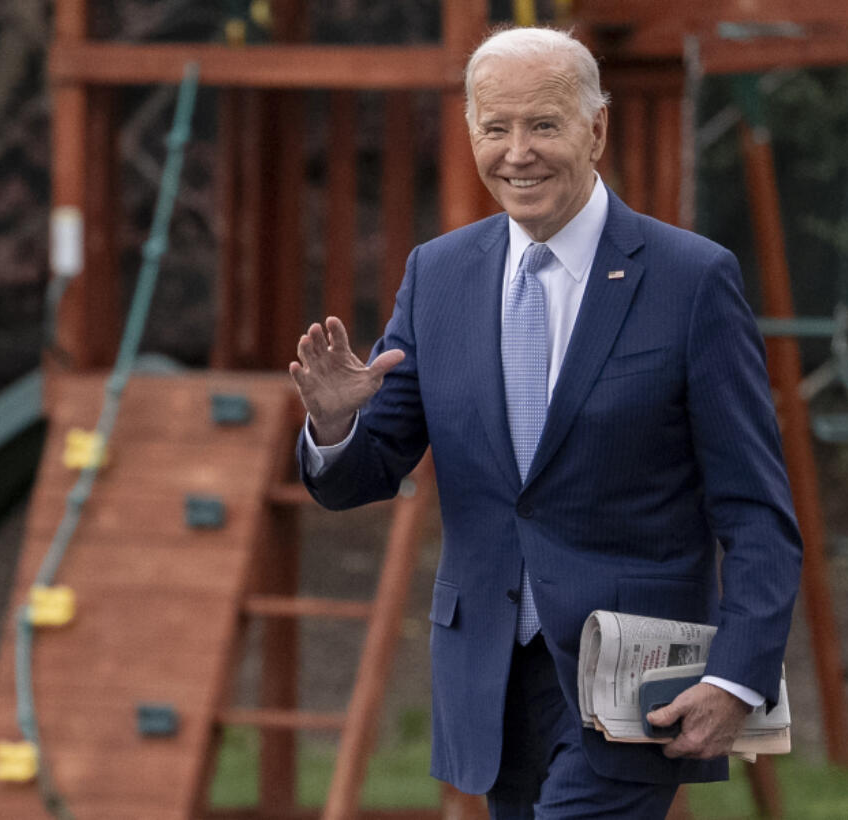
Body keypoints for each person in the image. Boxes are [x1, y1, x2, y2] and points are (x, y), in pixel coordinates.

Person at [291, 26, 802, 820]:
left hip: (635, 681)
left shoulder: (691, 281)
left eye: (543, 125)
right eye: (495, 129)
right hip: (488, 674)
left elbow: (759, 514)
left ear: (595, 129)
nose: (517, 153)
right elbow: (367, 471)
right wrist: (332, 428)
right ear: (469, 134)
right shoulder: (439, 275)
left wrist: (737, 676)